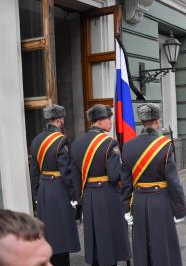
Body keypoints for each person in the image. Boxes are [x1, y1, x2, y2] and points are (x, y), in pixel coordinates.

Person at [121, 103, 186, 266]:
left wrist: (126, 209)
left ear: (143, 123)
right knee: (162, 243)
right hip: (161, 201)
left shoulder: (127, 146)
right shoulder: (164, 145)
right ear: (157, 121)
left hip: (139, 201)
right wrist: (179, 209)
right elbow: (173, 181)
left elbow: (126, 183)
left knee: (142, 244)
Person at [71, 104, 131, 266]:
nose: (111, 122)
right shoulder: (109, 143)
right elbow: (114, 175)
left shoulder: (77, 142)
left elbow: (74, 175)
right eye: (108, 119)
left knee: (95, 234)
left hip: (88, 195)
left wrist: (80, 198)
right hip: (108, 194)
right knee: (110, 234)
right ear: (99, 121)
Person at [29, 104, 80, 266]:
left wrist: (36, 195)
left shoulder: (36, 140)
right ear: (59, 120)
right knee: (62, 234)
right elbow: (66, 171)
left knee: (48, 233)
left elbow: (34, 171)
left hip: (44, 189)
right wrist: (73, 196)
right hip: (59, 189)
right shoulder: (61, 140)